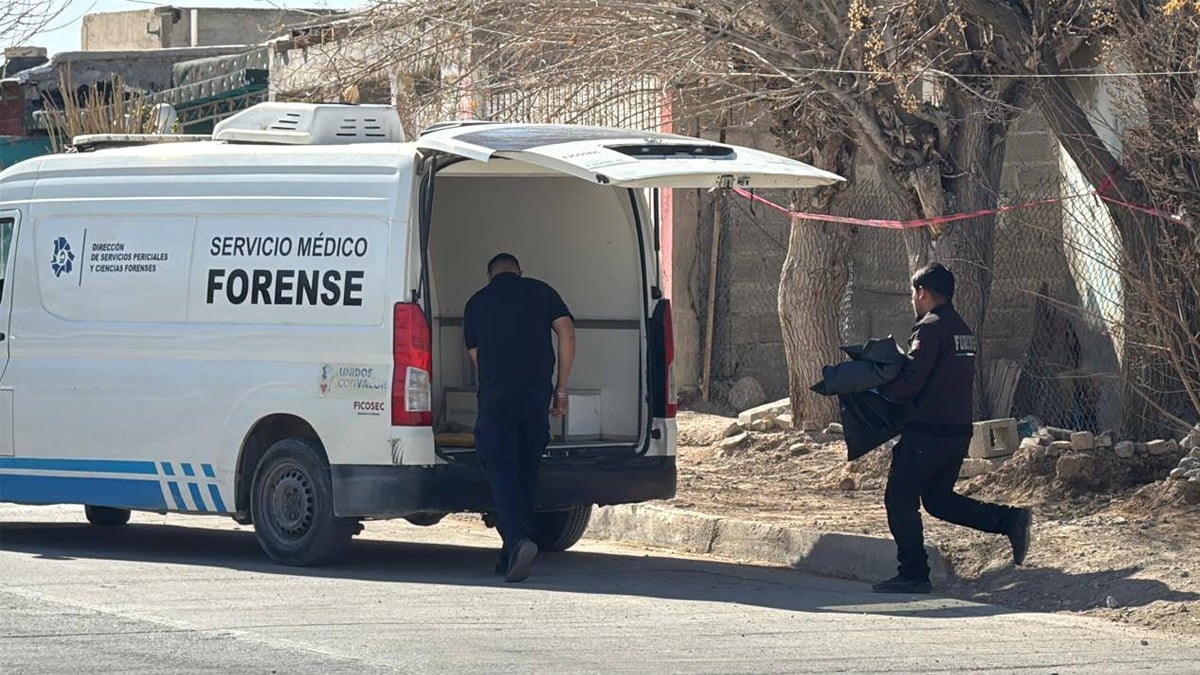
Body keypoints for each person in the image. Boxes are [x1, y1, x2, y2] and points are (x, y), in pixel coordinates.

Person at [873, 263, 1032, 594]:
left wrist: (880, 390)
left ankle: (914, 573)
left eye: (913, 294)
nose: (913, 301)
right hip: (956, 432)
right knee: (938, 500)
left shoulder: (929, 329)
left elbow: (913, 381)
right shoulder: (962, 329)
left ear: (923, 293)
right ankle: (1009, 521)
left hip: (927, 433)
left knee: (899, 499)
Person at [464, 253, 575, 583]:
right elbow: (567, 333)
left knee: (501, 469)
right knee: (526, 469)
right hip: (537, 394)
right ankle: (509, 551)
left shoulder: (476, 303)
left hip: (496, 395)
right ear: (520, 271)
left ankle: (517, 540)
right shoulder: (542, 291)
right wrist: (562, 389)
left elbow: (476, 358)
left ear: (489, 276)